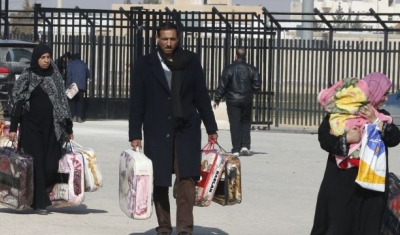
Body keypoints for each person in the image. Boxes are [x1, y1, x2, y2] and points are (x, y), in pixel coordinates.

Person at [129, 22, 218, 235]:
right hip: (157, 130)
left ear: (178, 39)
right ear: (157, 39)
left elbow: (201, 96)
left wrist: (211, 126)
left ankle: (185, 229)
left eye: (173, 39)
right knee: (159, 181)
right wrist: (135, 134)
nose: (169, 43)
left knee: (187, 179)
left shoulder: (190, 61)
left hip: (186, 129)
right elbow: (137, 101)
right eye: (164, 39)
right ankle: (164, 227)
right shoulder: (144, 64)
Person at [310, 73, 400, 235]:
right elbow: (324, 138)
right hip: (343, 182)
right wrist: (346, 139)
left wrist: (375, 121)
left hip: (372, 184)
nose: (386, 98)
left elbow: (394, 138)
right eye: (384, 93)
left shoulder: (381, 115)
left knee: (368, 225)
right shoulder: (341, 114)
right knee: (339, 224)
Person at [8, 43, 74, 215]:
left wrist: (68, 128)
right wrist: (13, 128)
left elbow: (63, 105)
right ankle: (39, 203)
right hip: (31, 127)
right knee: (36, 163)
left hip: (52, 127)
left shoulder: (56, 78)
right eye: (42, 57)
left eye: (48, 57)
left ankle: (40, 194)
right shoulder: (27, 76)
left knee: (51, 164)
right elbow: (18, 103)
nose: (46, 61)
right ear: (36, 58)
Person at [213, 48, 261, 156]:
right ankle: (245, 146)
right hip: (247, 99)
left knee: (235, 123)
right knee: (245, 122)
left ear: (235, 56)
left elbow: (223, 85)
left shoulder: (229, 69)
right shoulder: (252, 69)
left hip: (232, 99)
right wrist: (250, 91)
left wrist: (217, 99)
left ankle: (236, 148)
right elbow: (257, 84)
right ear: (246, 56)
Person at [66, 53, 90, 123]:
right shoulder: (84, 64)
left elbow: (69, 75)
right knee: (80, 101)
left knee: (72, 101)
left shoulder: (70, 64)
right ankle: (79, 117)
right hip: (81, 86)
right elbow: (88, 74)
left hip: (73, 86)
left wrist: (68, 85)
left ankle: (73, 116)